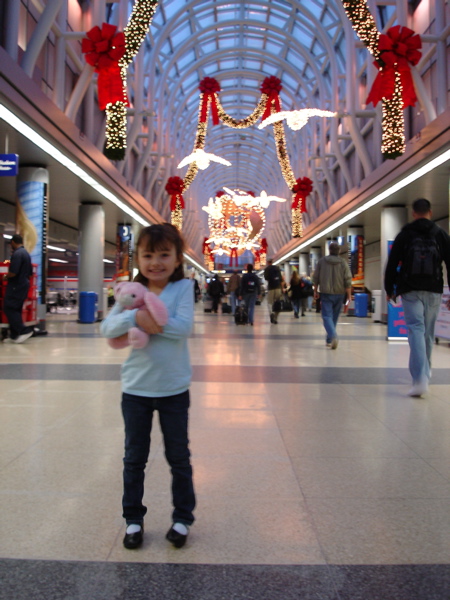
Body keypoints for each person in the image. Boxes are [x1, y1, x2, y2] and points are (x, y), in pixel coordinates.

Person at [101, 223, 195, 550]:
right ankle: (132, 520)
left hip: (173, 389)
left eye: (164, 255)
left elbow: (183, 328)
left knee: (178, 456)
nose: (156, 262)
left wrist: (148, 321)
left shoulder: (183, 288)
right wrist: (134, 319)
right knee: (133, 458)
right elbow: (107, 328)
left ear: (178, 258)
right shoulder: (130, 292)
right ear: (138, 257)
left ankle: (182, 518)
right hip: (136, 389)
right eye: (148, 255)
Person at [384, 198, 450, 398]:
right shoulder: (440, 234)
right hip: (434, 290)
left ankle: (419, 379)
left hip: (410, 289)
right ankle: (425, 374)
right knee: (428, 333)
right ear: (430, 212)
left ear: (414, 213)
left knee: (415, 330)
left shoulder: (404, 234)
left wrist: (390, 288)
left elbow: (393, 263)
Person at [313, 242, 352, 349]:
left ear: (329, 250)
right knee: (334, 317)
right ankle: (329, 339)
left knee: (326, 316)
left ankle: (333, 336)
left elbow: (315, 278)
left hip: (326, 293)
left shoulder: (321, 262)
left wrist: (315, 291)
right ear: (338, 251)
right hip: (340, 293)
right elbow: (348, 279)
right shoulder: (343, 263)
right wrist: (349, 295)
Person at [2, 234, 33, 344]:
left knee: (9, 307)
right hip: (24, 284)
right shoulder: (26, 254)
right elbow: (30, 273)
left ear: (13, 242)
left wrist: (5, 276)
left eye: (11, 244)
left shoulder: (17, 254)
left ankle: (23, 330)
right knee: (16, 308)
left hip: (16, 285)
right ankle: (14, 335)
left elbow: (13, 272)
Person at [264, 258, 283, 324]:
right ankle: (275, 317)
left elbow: (266, 278)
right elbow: (281, 279)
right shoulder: (277, 268)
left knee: (270, 302)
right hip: (278, 287)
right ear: (272, 261)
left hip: (271, 288)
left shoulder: (267, 269)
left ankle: (271, 313)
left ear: (267, 262)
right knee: (277, 303)